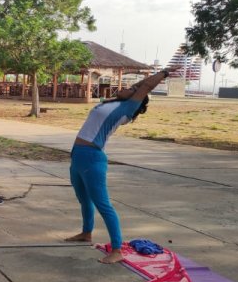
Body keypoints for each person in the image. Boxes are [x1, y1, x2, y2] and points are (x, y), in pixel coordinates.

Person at [64, 69, 173, 263]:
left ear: (136, 98)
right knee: (84, 200)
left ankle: (116, 250)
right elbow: (141, 84)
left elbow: (146, 86)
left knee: (103, 205)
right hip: (78, 156)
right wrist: (135, 87)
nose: (126, 88)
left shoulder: (126, 108)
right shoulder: (111, 103)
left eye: (132, 89)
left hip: (92, 158)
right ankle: (86, 233)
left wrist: (163, 73)